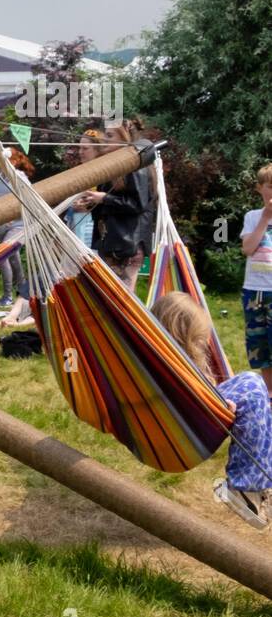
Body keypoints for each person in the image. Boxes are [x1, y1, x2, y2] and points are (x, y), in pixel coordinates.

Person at [153, 292, 272, 529]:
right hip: (182, 429)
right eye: (198, 341)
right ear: (184, 338)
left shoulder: (154, 358)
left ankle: (258, 485)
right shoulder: (167, 366)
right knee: (253, 386)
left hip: (188, 419)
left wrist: (216, 405)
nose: (202, 346)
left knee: (259, 397)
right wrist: (216, 408)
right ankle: (246, 487)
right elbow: (179, 403)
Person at [75, 122, 154, 294]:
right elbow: (108, 207)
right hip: (112, 242)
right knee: (111, 297)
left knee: (122, 300)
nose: (105, 139)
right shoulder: (112, 167)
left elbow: (137, 205)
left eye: (110, 136)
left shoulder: (135, 166)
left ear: (124, 138)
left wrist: (104, 198)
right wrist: (91, 204)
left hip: (128, 244)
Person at [238, 161, 272, 392]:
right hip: (255, 291)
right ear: (260, 188)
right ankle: (269, 396)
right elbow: (248, 249)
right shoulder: (252, 217)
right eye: (270, 186)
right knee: (260, 348)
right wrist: (265, 218)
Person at [0, 147, 33, 308]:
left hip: (19, 225)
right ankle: (23, 293)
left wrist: (13, 216)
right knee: (13, 257)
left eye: (5, 160)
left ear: (14, 162)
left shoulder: (20, 178)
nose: (1, 163)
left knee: (2, 255)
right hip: (2, 226)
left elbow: (30, 200)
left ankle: (7, 297)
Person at [64, 130, 100, 245]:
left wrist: (87, 207)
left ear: (97, 150)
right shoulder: (79, 172)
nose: (80, 152)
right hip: (75, 221)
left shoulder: (105, 173)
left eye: (85, 148)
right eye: (80, 148)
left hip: (92, 226)